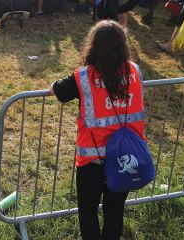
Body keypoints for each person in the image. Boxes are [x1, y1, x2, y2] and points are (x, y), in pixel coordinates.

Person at [47, 20, 146, 240]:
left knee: (88, 211)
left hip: (93, 162)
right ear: (123, 45)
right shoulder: (136, 71)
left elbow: (59, 91)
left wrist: (52, 86)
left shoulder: (84, 77)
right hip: (125, 156)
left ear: (94, 45)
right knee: (115, 211)